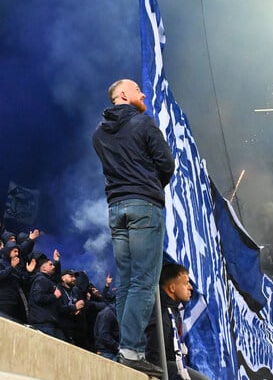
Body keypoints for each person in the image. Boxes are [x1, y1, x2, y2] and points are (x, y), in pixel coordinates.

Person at [92, 78, 175, 375]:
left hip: (116, 209)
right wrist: (150, 184)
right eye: (139, 90)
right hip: (144, 208)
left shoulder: (98, 134)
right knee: (144, 281)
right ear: (124, 95)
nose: (144, 94)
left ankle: (128, 349)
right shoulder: (144, 123)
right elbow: (167, 165)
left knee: (126, 282)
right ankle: (131, 351)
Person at [145, 263, 208, 380]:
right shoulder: (160, 311)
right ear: (172, 288)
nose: (190, 287)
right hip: (157, 365)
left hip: (170, 364)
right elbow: (153, 354)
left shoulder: (174, 310)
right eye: (186, 283)